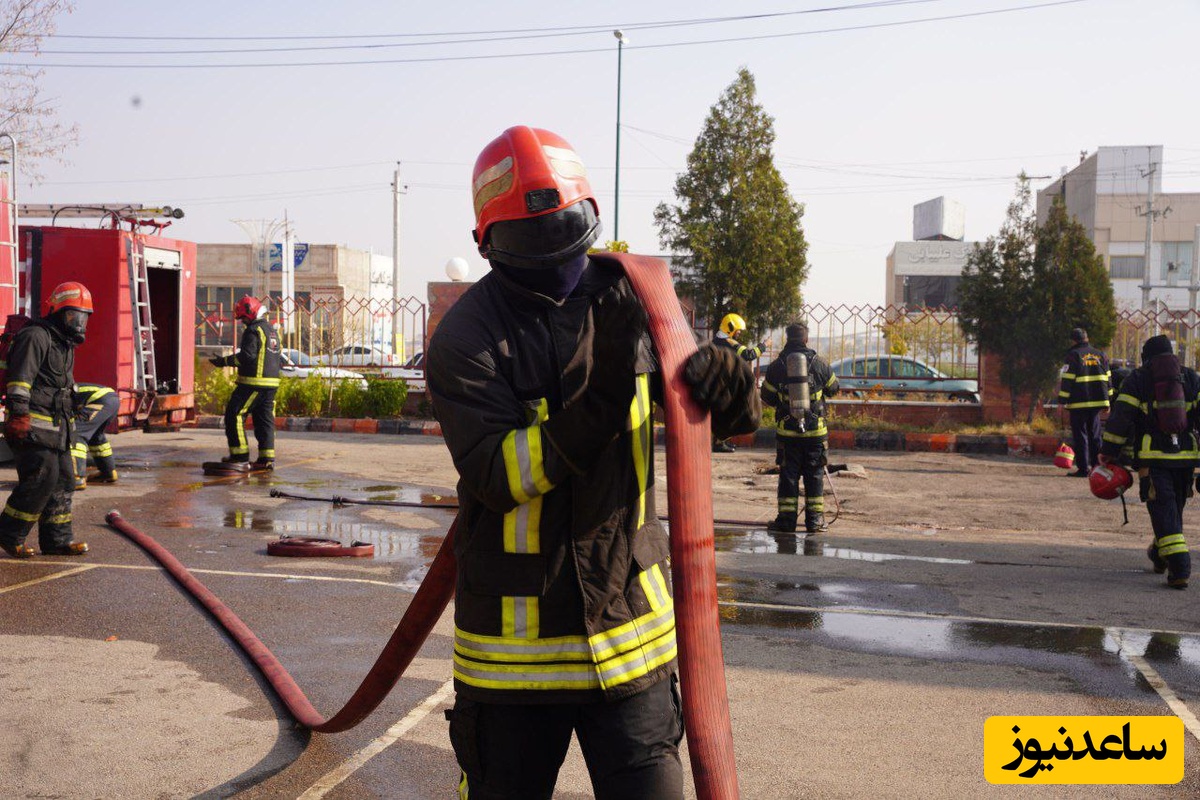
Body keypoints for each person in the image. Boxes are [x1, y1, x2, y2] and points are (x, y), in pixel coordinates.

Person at [428, 125, 760, 800]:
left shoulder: (637, 297)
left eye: (564, 234)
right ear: (486, 246)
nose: (555, 260)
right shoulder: (467, 337)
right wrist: (602, 399)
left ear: (592, 218)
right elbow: (500, 475)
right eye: (533, 243)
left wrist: (734, 390)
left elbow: (710, 419)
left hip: (629, 644)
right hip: (512, 668)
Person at [0, 282, 93, 558]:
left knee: (65, 481)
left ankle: (57, 540)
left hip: (58, 428)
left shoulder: (63, 343)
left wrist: (74, 403)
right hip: (32, 426)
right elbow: (20, 380)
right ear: (57, 311)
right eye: (73, 315)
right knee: (42, 479)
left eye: (83, 317)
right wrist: (18, 415)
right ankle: (9, 534)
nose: (78, 323)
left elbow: (60, 383)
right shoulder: (36, 336)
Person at [1098, 334, 1195, 589]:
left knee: (1163, 510)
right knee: (1173, 510)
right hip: (1185, 460)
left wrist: (1108, 450)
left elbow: (1120, 419)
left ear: (1146, 357)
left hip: (1152, 460)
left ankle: (1180, 566)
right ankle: (1159, 553)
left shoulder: (1138, 379)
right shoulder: (1191, 378)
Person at [760, 322, 839, 534]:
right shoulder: (820, 364)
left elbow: (765, 396)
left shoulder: (777, 366)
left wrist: (783, 401)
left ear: (787, 339)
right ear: (806, 339)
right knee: (814, 477)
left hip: (788, 434)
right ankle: (814, 522)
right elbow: (834, 389)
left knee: (788, 477)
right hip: (815, 434)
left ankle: (786, 523)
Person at [209, 295, 280, 469]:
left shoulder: (254, 330)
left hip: (253, 383)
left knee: (235, 414)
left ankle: (239, 456)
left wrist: (224, 362)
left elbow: (247, 356)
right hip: (271, 385)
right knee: (264, 420)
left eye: (244, 318)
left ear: (251, 312)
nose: (243, 322)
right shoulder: (271, 330)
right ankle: (266, 459)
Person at [1058, 327, 1110, 477]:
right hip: (1096, 403)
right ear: (1086, 338)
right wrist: (1108, 401)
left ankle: (1083, 469)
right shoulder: (1101, 355)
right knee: (1095, 435)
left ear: (1073, 340)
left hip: (1078, 403)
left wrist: (1062, 401)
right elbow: (1108, 379)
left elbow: (1067, 380)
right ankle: (1097, 467)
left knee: (1081, 436)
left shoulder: (1073, 355)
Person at [711, 312, 765, 453]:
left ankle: (721, 442)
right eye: (738, 330)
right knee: (728, 414)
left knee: (722, 413)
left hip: (718, 381)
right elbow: (749, 355)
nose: (739, 333)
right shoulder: (730, 342)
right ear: (730, 328)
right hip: (726, 384)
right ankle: (719, 443)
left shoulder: (716, 339)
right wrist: (763, 346)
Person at [71, 383, 120, 489]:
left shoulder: (56, 392)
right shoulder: (72, 387)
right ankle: (108, 473)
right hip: (113, 400)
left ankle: (77, 477)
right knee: (96, 436)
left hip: (100, 400)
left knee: (77, 433)